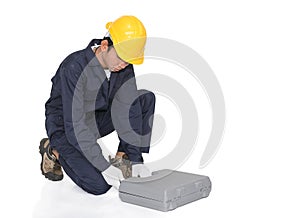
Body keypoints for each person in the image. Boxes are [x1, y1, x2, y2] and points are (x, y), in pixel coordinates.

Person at [39, 15, 156, 195]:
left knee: (144, 99)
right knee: (99, 186)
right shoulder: (74, 67)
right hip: (66, 127)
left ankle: (122, 159)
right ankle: (53, 150)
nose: (123, 65)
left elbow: (129, 107)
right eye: (121, 58)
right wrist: (102, 166)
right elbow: (75, 125)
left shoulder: (122, 66)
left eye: (128, 61)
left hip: (94, 119)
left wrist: (135, 159)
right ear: (104, 46)